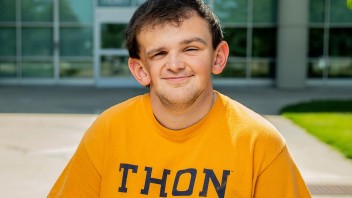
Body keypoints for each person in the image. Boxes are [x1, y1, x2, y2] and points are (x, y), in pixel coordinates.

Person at [48, 0, 311, 197]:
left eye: (190, 48)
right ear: (141, 70)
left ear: (218, 57)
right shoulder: (108, 131)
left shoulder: (259, 142)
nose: (175, 64)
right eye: (159, 53)